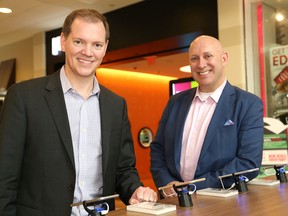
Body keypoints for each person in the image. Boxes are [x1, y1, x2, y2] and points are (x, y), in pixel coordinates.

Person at [0, 8, 157, 215]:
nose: (88, 52)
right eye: (79, 42)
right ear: (63, 41)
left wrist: (135, 190)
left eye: (97, 45)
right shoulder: (24, 97)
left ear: (105, 48)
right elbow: (5, 177)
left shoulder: (116, 105)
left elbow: (123, 169)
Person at [150, 35, 264, 197]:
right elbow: (158, 149)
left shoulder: (248, 104)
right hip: (174, 200)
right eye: (194, 58)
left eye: (208, 56)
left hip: (223, 202)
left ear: (224, 59)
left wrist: (193, 187)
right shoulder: (175, 102)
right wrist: (167, 183)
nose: (201, 64)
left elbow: (248, 163)